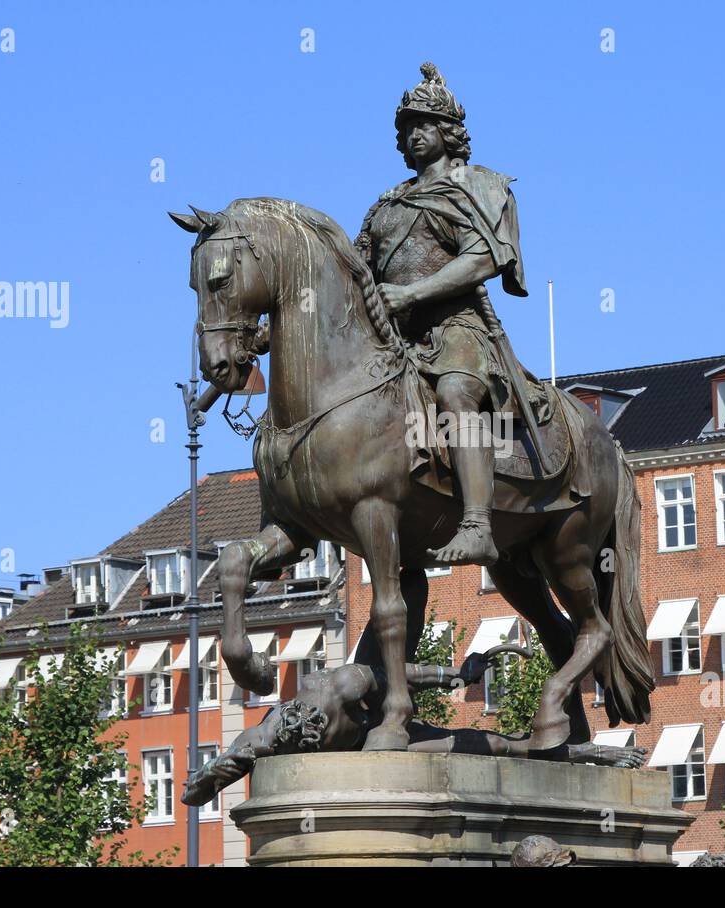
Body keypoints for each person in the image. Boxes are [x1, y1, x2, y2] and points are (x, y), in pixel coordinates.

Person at [356, 62, 541, 567]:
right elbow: (354, 274)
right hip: (396, 341)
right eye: (408, 128)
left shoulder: (474, 185)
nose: (415, 135)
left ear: (449, 133)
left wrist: (410, 294)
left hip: (459, 330)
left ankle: (478, 521)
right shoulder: (387, 205)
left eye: (425, 126)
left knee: (456, 393)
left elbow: (482, 257)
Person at [181, 643, 648, 808]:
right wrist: (200, 784)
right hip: (370, 754)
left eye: (318, 736)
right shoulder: (265, 738)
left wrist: (454, 676)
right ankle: (586, 754)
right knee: (468, 747)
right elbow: (223, 767)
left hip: (382, 725)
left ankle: (586, 753)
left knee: (485, 743)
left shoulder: (345, 683)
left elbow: (402, 676)